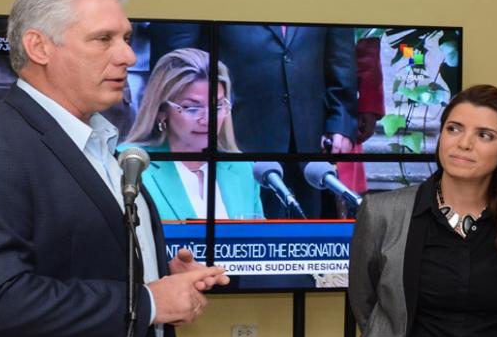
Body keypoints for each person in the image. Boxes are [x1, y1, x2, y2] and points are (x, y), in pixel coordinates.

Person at [0, 0, 228, 337]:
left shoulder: (102, 143)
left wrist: (157, 274)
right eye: (103, 39)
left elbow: (70, 256)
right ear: (39, 47)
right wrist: (148, 302)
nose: (128, 56)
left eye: (126, 38)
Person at [349, 85, 497, 337]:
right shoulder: (382, 212)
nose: (464, 143)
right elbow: (367, 304)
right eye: (454, 128)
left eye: (484, 135)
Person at [150, 24, 358, 219]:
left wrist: (341, 118)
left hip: (306, 142)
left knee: (301, 241)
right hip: (230, 138)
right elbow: (176, 63)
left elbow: (339, 48)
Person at [124, 48, 263, 221]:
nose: (207, 120)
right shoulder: (131, 165)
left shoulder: (242, 168)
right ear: (161, 110)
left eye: (217, 106)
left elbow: (259, 244)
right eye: (192, 108)